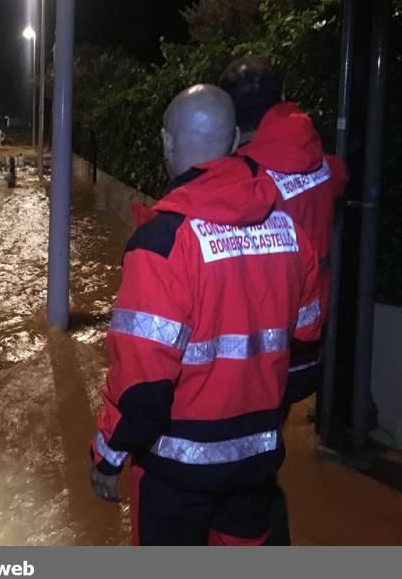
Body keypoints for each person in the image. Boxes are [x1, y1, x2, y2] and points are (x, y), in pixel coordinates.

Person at [89, 84, 323, 546]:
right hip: (256, 466)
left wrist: (107, 455)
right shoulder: (292, 233)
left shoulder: (162, 243)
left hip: (176, 476)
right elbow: (306, 345)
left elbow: (142, 383)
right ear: (236, 140)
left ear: (167, 143)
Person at [219, 57, 348, 544]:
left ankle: (261, 534)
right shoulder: (314, 157)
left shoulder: (246, 178)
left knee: (247, 461)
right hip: (309, 337)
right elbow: (341, 177)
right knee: (269, 435)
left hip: (264, 346)